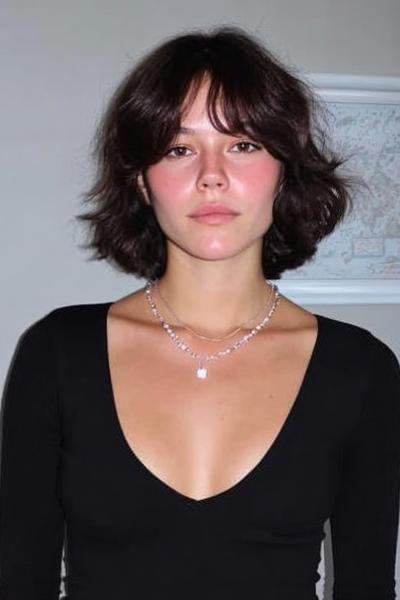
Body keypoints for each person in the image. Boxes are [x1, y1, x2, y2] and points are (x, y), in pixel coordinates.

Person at [0, 25, 399, 600]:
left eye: (243, 145)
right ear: (141, 181)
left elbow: (369, 587)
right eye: (179, 149)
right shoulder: (58, 353)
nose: (212, 175)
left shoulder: (361, 369)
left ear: (284, 169)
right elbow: (21, 579)